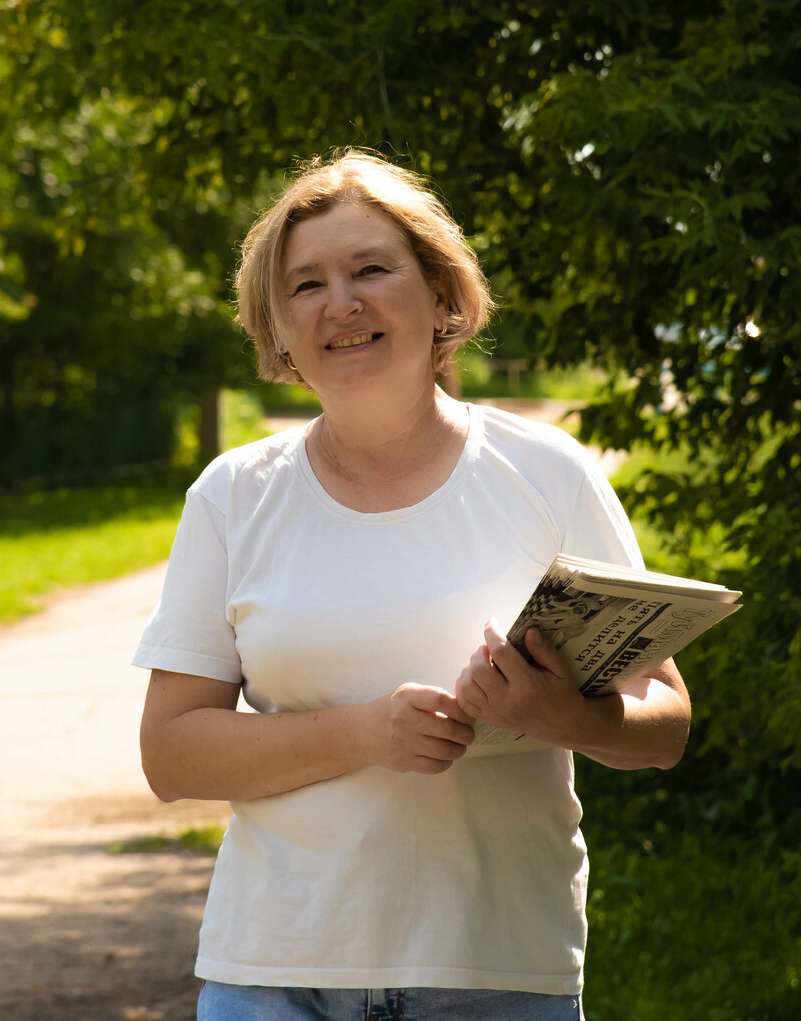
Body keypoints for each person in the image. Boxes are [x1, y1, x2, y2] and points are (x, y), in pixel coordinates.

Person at [134, 151, 691, 1021]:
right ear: (279, 328)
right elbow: (171, 753)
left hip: (498, 977)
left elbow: (665, 724)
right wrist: (365, 733)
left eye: (370, 269)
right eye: (306, 285)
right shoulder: (233, 496)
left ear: (441, 296)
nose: (341, 303)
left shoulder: (546, 474)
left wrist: (565, 717)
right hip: (274, 979)